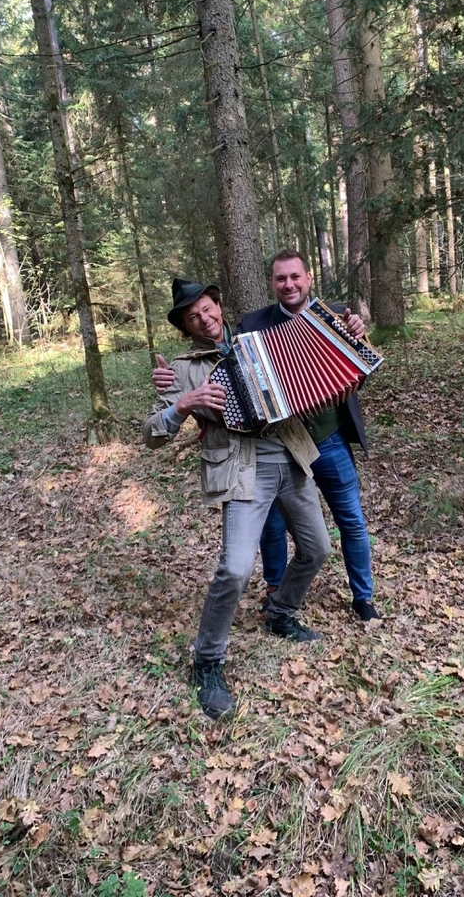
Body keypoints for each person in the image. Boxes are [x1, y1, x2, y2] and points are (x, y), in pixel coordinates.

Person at [153, 251, 380, 623]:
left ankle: (362, 598)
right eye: (280, 279)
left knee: (346, 523)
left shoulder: (334, 315)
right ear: (272, 284)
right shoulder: (252, 327)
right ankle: (275, 592)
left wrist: (358, 332)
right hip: (276, 449)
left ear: (308, 278)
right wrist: (176, 394)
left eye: (295, 277)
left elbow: (358, 363)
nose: (289, 285)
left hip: (325, 440)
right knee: (271, 528)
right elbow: (204, 374)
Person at [143, 279, 331, 721]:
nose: (204, 318)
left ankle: (280, 614)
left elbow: (315, 328)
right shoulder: (182, 370)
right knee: (236, 567)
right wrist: (182, 405)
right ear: (186, 327)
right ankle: (207, 661)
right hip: (244, 470)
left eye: (207, 308)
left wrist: (351, 325)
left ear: (218, 305)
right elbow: (151, 434)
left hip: (291, 456)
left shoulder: (260, 336)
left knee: (318, 548)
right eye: (193, 317)